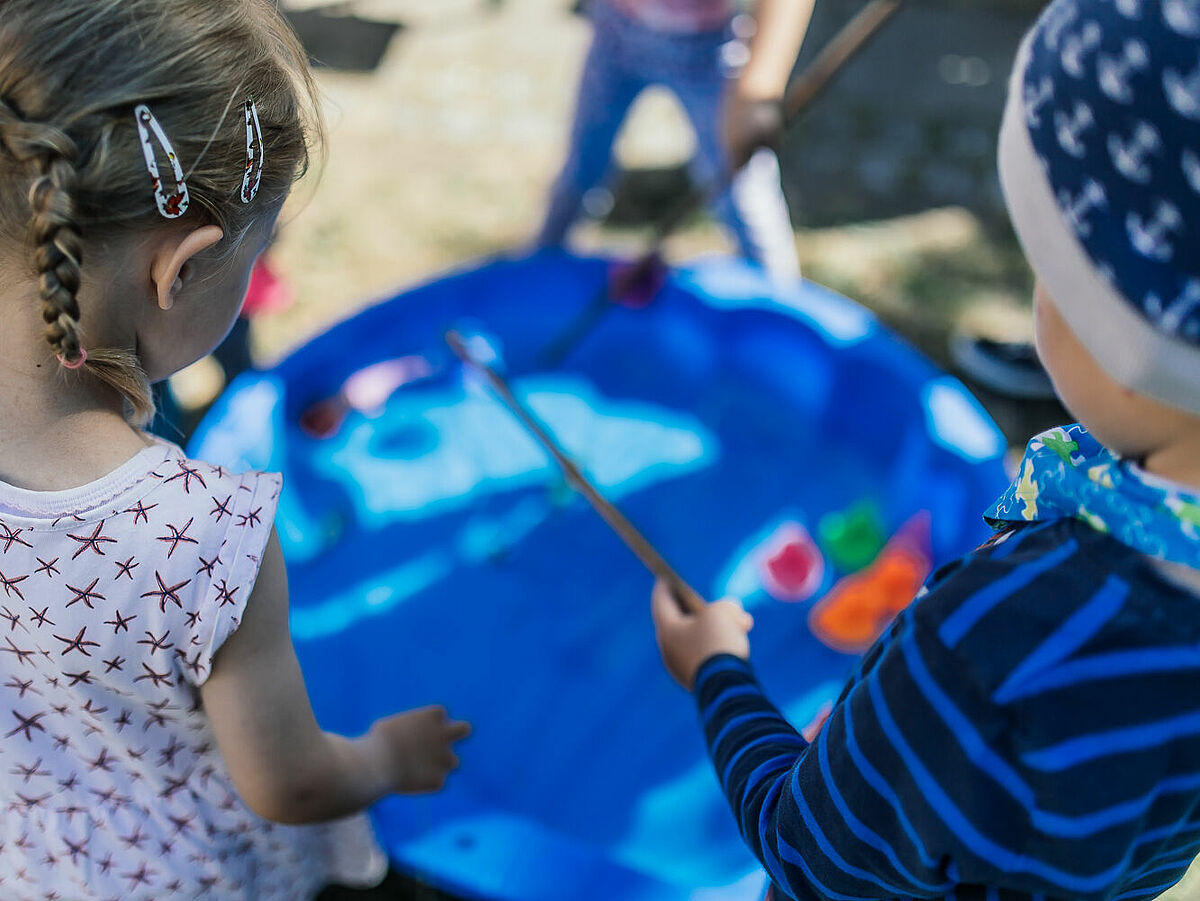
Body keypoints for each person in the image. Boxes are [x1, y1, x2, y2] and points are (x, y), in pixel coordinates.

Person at [651, 0, 1200, 898]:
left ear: (1130, 344)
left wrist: (716, 671)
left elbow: (806, 846)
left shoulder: (999, 642)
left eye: (1047, 270)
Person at [0, 2, 469, 898]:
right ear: (181, 271)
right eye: (259, 254)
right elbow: (288, 779)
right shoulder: (201, 533)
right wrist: (381, 757)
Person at [537, 0, 813, 284]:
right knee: (580, 169)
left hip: (708, 48)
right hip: (616, 30)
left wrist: (759, 85)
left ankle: (779, 297)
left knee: (743, 191)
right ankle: (533, 282)